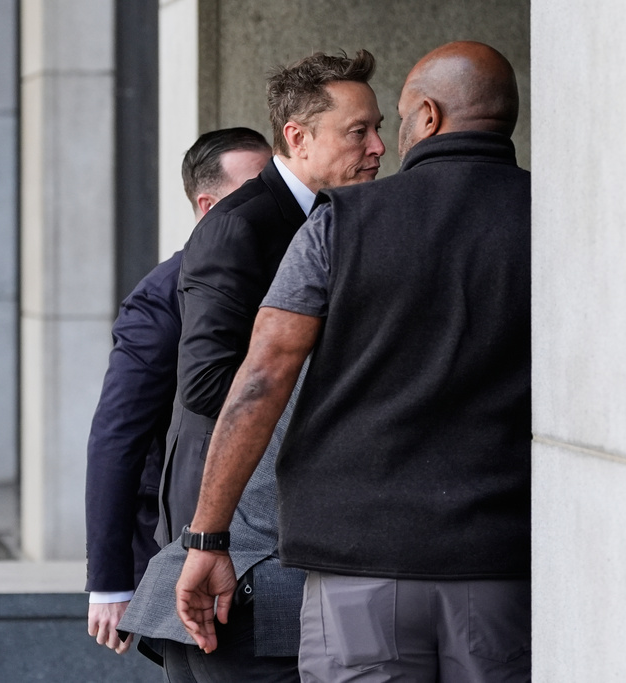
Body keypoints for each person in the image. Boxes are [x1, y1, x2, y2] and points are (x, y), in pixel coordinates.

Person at [175, 41, 532, 681]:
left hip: (360, 567)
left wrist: (207, 537)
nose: (384, 144)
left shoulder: (342, 223)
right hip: (502, 560)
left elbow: (259, 383)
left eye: (392, 121)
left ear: (426, 116)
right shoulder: (558, 220)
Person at [117, 49, 385, 682]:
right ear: (298, 137)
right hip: (243, 538)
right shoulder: (239, 225)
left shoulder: (348, 216)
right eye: (358, 131)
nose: (378, 146)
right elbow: (207, 385)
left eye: (379, 128)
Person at [84, 127, 272, 657]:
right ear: (209, 207)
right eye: (256, 190)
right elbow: (116, 434)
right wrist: (111, 580)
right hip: (190, 552)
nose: (272, 202)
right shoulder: (164, 296)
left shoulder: (286, 269)